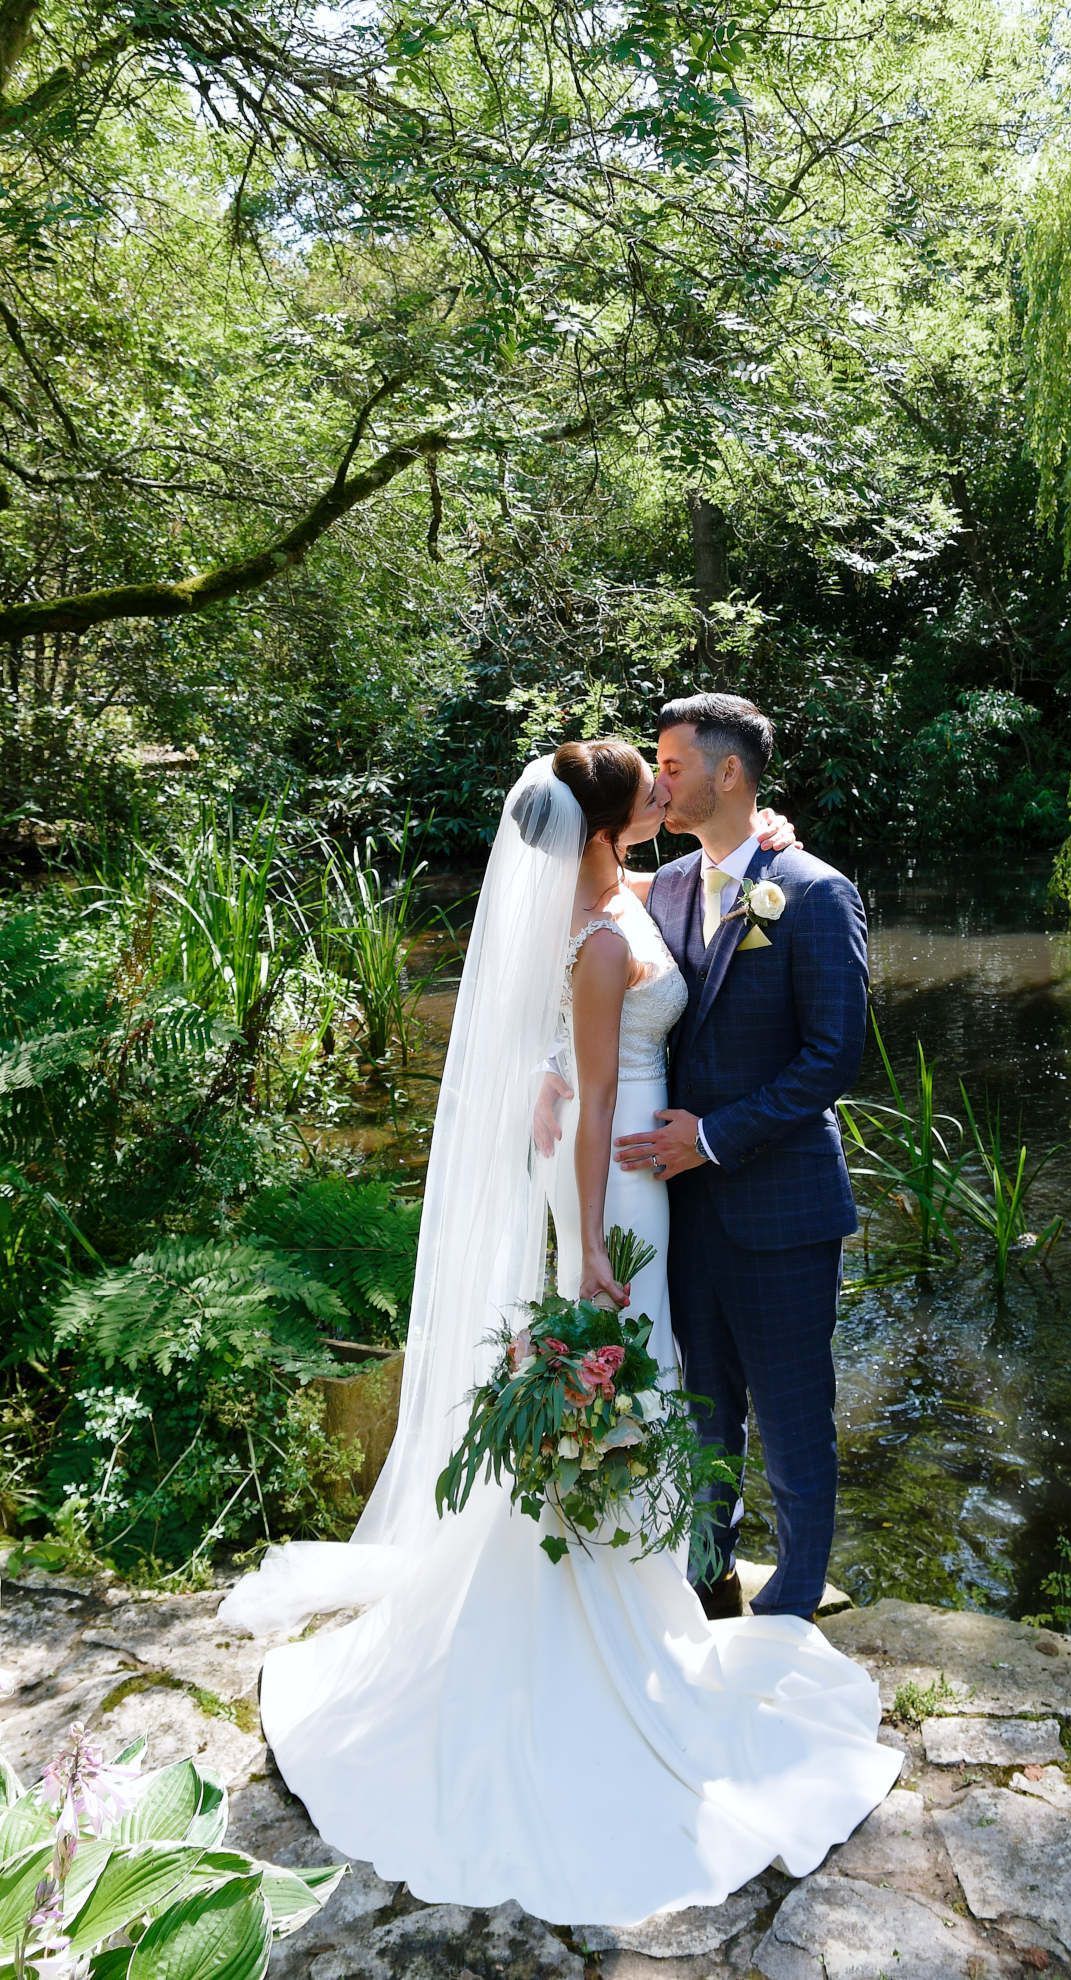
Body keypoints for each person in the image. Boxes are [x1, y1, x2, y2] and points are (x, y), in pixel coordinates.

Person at [218, 742, 899, 1927]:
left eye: (678, 771)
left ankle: (679, 1588)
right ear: (606, 822)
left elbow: (694, 1002)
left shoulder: (659, 890)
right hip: (616, 1178)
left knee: (692, 1391)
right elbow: (590, 1029)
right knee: (636, 1375)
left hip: (660, 1163)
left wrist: (757, 855)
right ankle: (594, 1613)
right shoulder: (608, 923)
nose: (664, 791)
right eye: (650, 780)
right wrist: (582, 1234)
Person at [615, 694, 869, 1623]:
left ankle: (795, 1601)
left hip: (783, 1210)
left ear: (729, 773)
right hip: (683, 1211)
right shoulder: (670, 885)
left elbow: (833, 1057)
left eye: (673, 764)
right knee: (704, 1407)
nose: (658, 780)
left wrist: (712, 1137)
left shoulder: (813, 892)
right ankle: (704, 1571)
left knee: (797, 1419)